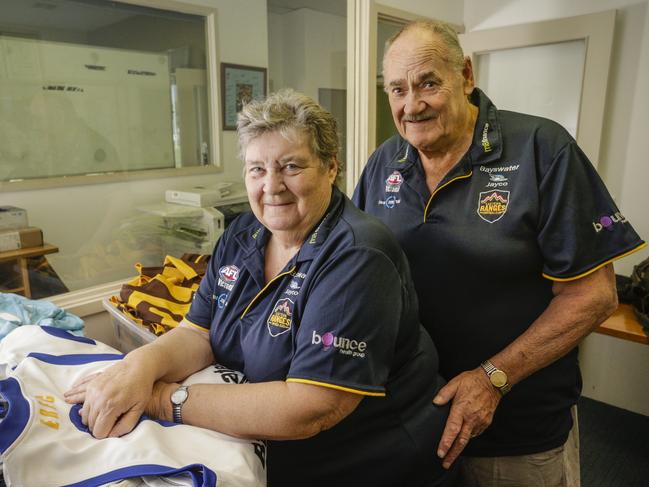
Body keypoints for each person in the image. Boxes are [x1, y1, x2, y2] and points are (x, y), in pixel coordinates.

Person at [65, 90, 455, 487]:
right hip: (271, 460)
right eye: (257, 169)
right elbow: (197, 334)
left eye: (291, 166)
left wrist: (161, 400)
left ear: (331, 167)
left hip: (372, 465)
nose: (272, 186)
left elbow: (310, 409)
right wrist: (137, 369)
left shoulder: (358, 255)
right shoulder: (243, 233)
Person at [352, 19, 646, 487]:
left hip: (515, 432)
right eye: (397, 89)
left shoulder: (542, 150)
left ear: (466, 76)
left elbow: (593, 297)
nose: (412, 104)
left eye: (429, 82)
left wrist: (492, 379)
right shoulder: (385, 161)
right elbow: (357, 268)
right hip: (409, 420)